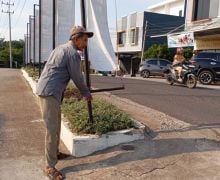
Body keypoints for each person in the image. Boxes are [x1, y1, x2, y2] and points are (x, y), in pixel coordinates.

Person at [36, 25, 93, 180]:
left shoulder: (60, 48)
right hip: (50, 93)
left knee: (56, 126)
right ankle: (49, 166)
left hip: (49, 91)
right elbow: (77, 77)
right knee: (52, 129)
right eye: (85, 40)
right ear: (76, 38)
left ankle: (54, 154)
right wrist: (86, 93)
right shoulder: (73, 54)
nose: (86, 43)